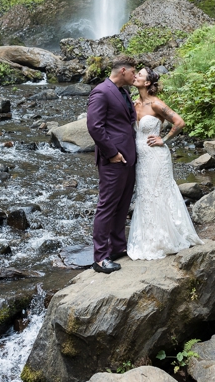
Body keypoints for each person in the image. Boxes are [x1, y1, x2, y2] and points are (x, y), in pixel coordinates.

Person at [124, 67, 202, 260]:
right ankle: (149, 237)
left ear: (148, 82)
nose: (136, 77)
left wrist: (163, 139)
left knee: (159, 191)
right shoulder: (135, 104)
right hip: (141, 156)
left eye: (140, 75)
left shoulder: (157, 104)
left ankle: (167, 236)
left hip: (156, 156)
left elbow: (179, 122)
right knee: (145, 194)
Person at [85, 56, 139, 273]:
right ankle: (100, 258)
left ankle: (117, 247)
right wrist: (112, 153)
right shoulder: (101, 91)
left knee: (123, 204)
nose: (135, 76)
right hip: (113, 159)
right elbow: (94, 127)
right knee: (107, 207)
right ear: (123, 70)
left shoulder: (123, 91)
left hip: (129, 157)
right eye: (133, 72)